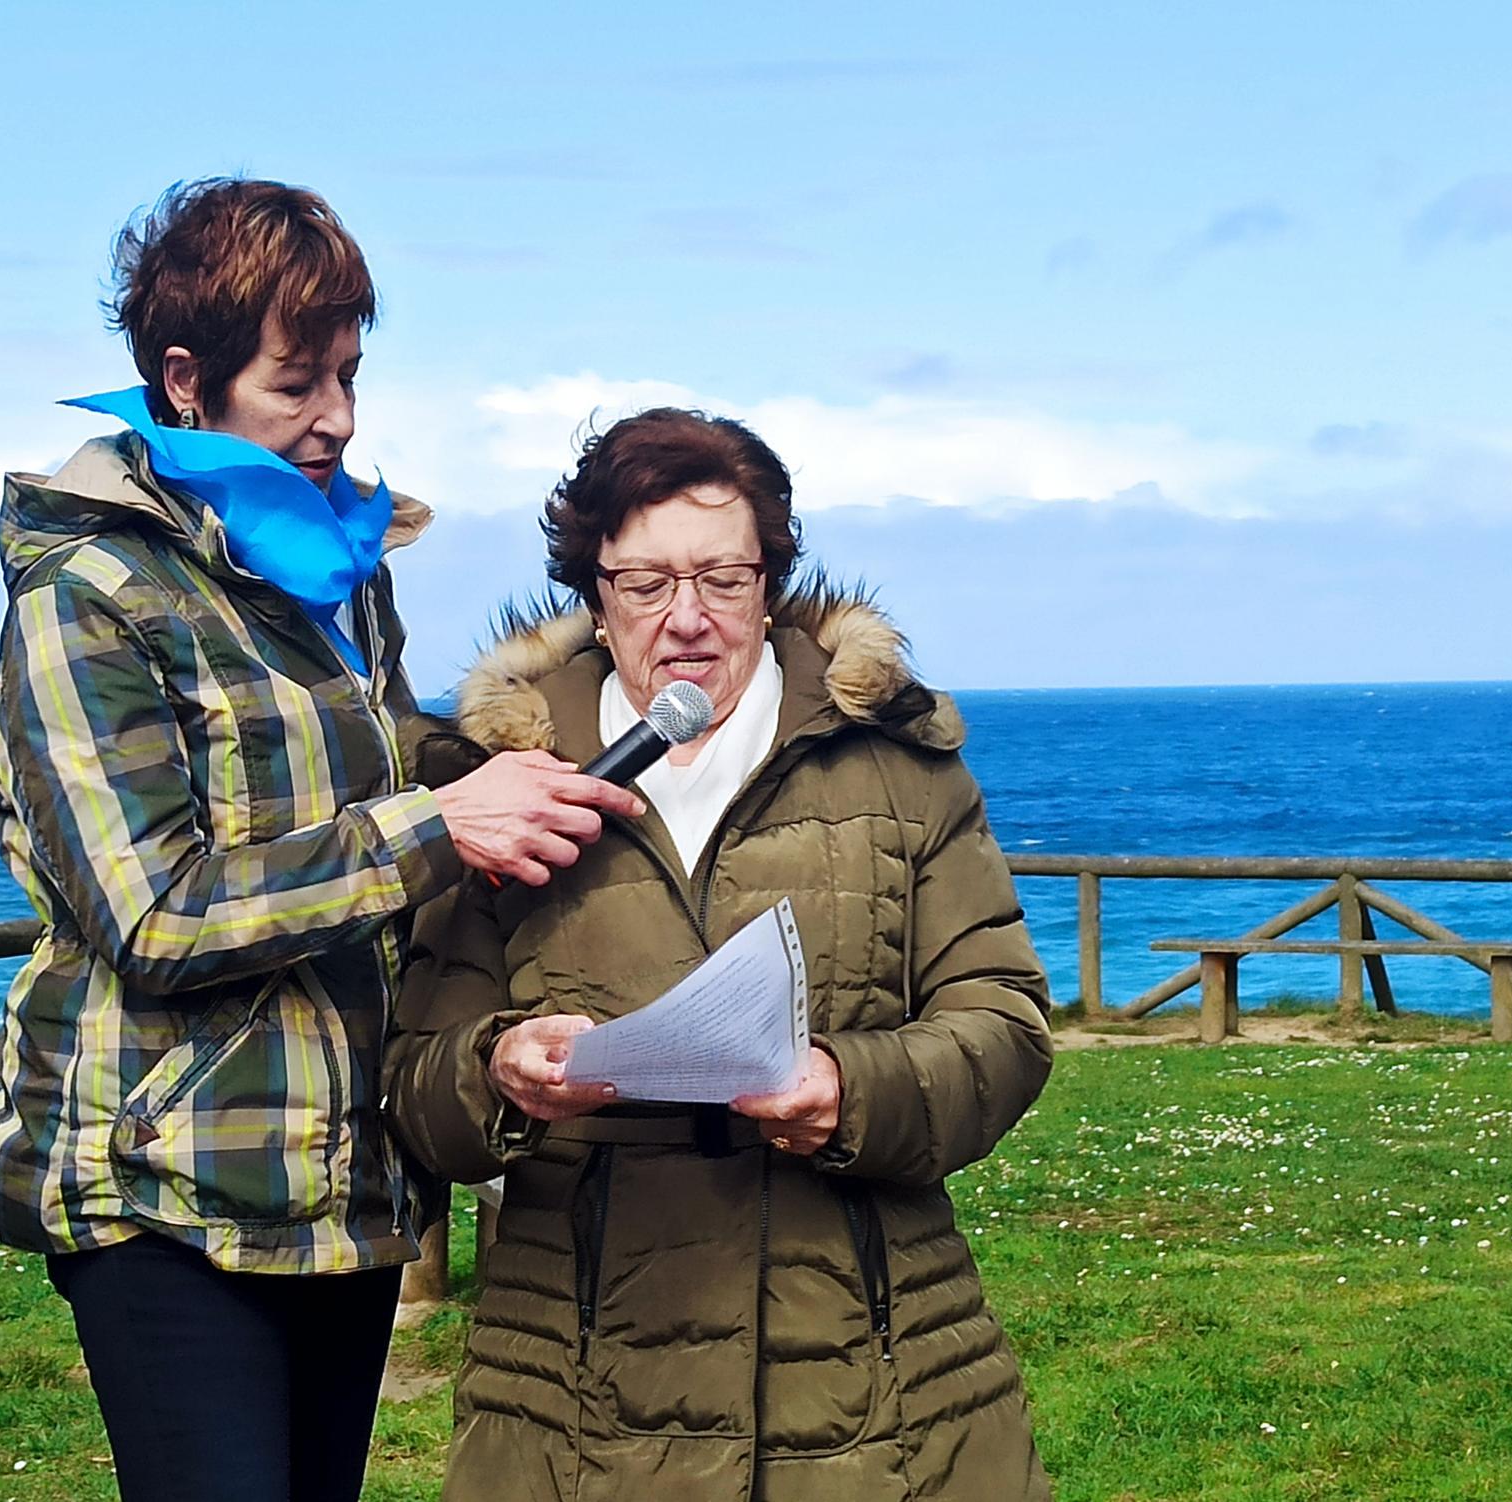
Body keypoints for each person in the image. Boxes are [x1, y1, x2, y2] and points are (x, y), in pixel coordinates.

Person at [0, 177, 640, 1502]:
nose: (335, 418)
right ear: (185, 381)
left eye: (349, 376)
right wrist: (436, 823)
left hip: (342, 1179)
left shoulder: (340, 574)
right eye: (295, 383)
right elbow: (152, 912)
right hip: (165, 1186)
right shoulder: (85, 597)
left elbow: (392, 782)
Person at [385, 407, 1056, 1500]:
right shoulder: (500, 780)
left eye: (723, 578)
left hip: (876, 1389)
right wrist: (497, 1068)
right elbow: (416, 1084)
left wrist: (851, 1086)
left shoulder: (896, 766)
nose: (687, 619)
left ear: (771, 580)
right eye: (645, 583)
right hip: (572, 1395)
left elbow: (1003, 1024)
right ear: (592, 591)